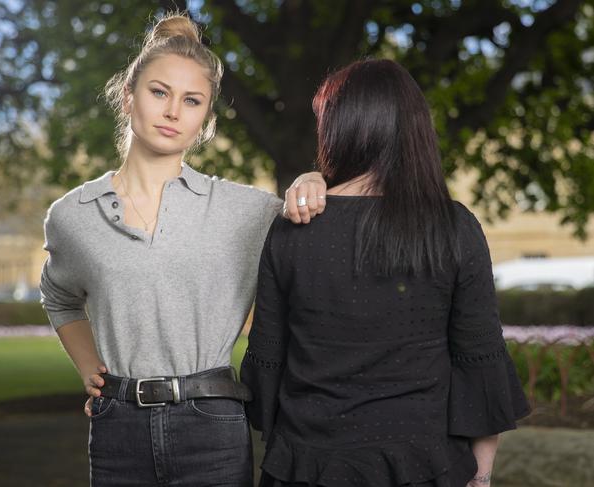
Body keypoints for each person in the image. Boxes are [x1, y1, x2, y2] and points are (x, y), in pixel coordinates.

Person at [39, 12, 327, 487]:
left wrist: (311, 179)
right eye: (159, 92)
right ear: (128, 97)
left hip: (212, 427)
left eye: (191, 101)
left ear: (205, 122)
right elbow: (59, 295)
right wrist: (90, 367)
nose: (173, 111)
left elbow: (321, 231)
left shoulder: (246, 211)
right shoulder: (73, 215)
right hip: (116, 428)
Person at [240, 59, 531, 487]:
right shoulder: (454, 227)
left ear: (338, 127)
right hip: (426, 463)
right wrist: (482, 475)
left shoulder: (293, 228)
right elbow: (480, 360)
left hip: (308, 463)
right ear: (414, 127)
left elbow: (266, 362)